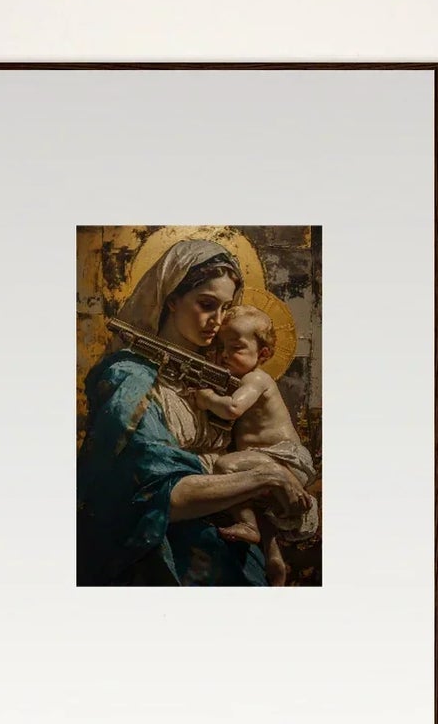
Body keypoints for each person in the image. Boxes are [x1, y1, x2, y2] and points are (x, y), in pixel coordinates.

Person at [76, 237, 308, 586]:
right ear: (171, 300)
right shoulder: (130, 380)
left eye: (224, 309)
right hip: (168, 562)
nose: (216, 321)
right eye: (205, 304)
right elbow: (157, 495)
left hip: (237, 556)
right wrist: (266, 477)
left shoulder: (223, 377)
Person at [196, 306, 319, 587]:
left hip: (282, 459)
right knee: (267, 529)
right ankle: (275, 567)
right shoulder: (238, 380)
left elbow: (233, 408)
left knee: (225, 466)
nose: (225, 354)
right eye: (220, 347)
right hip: (259, 462)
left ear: (262, 354)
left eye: (236, 347)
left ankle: (251, 523)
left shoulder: (256, 379)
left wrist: (205, 398)